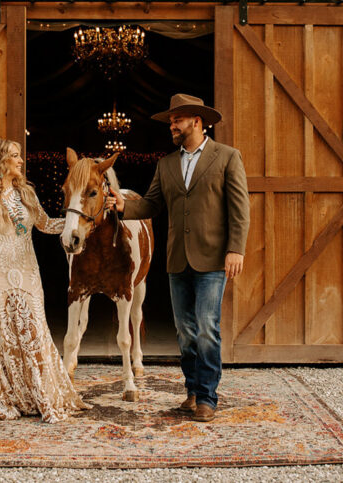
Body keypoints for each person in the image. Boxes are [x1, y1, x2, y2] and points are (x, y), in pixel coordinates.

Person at [105, 93, 249, 423]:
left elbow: (240, 209)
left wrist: (236, 248)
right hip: (176, 260)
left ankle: (207, 398)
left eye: (177, 119)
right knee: (184, 331)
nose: (172, 125)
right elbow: (153, 204)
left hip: (213, 258)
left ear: (197, 121)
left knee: (206, 329)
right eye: (171, 120)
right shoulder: (166, 164)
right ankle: (192, 391)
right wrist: (125, 206)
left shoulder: (227, 157)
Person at [0, 138, 89, 423]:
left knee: (35, 332)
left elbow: (45, 224)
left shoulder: (25, 194)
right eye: (14, 156)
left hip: (26, 270)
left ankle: (41, 397)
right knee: (1, 337)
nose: (20, 160)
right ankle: (6, 398)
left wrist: (79, 224)